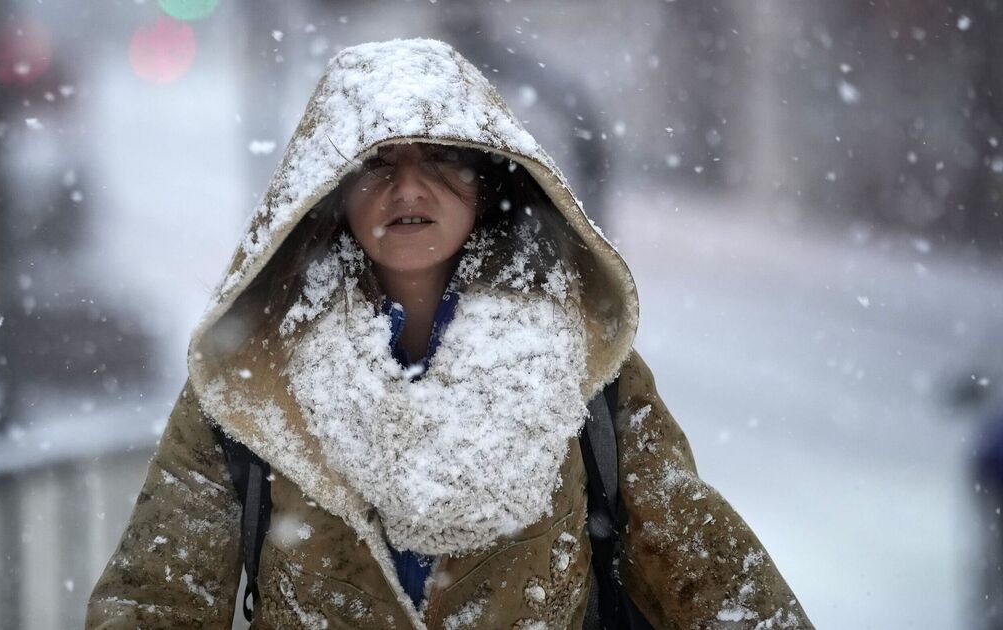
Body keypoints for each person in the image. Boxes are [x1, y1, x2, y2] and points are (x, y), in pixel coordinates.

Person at [86, 38, 812, 629]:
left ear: (489, 178)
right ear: (329, 191)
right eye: (376, 163)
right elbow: (155, 604)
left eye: (442, 157)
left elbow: (709, 573)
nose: (409, 188)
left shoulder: (581, 364)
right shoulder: (252, 379)